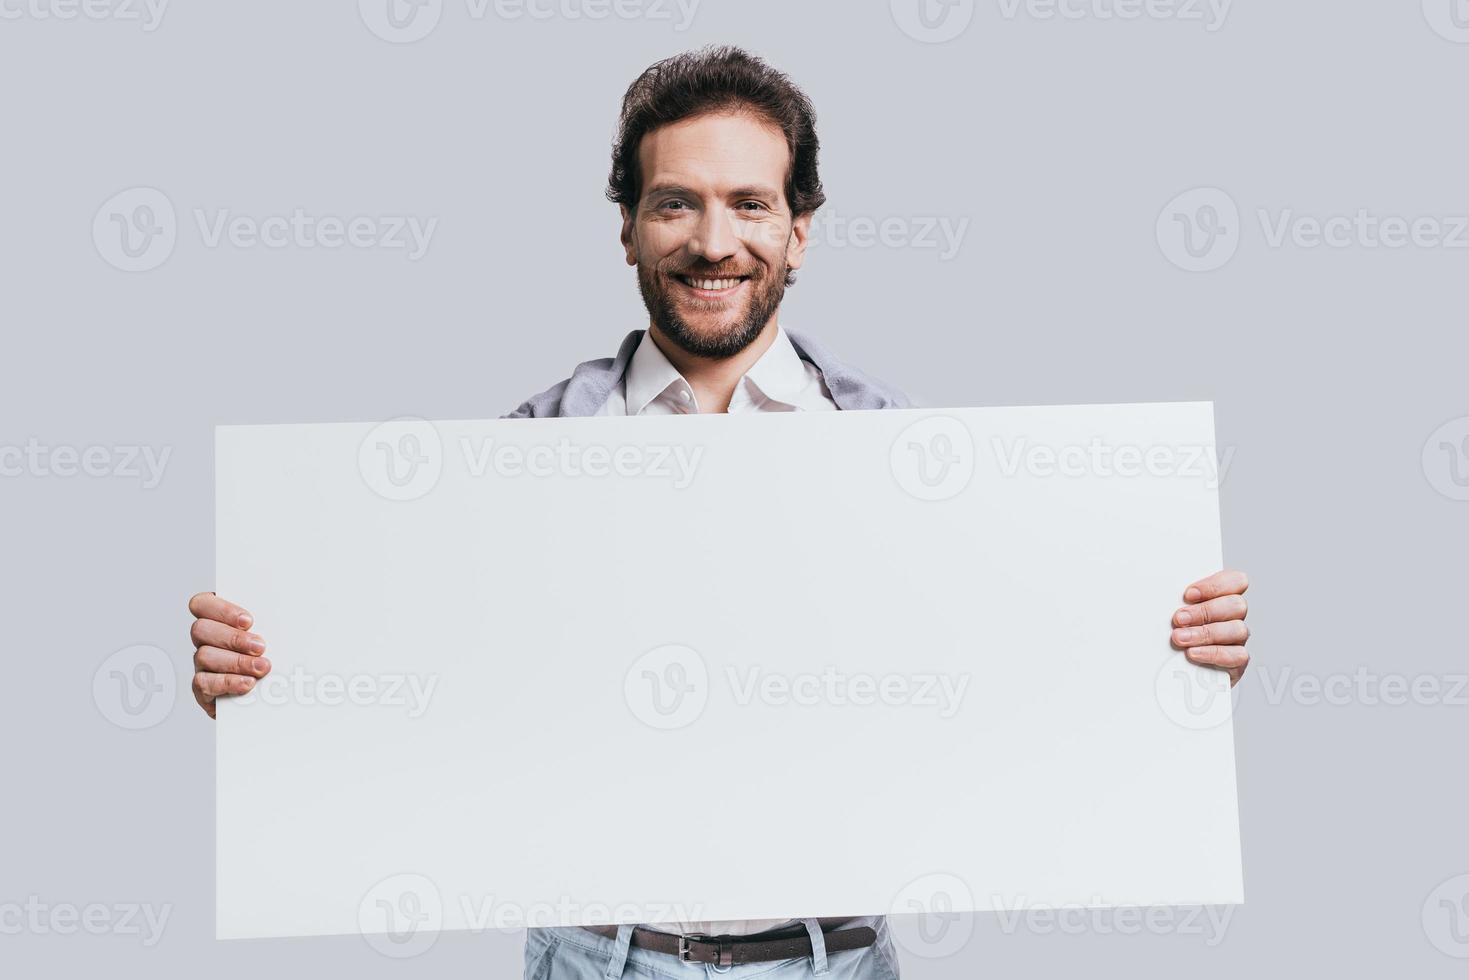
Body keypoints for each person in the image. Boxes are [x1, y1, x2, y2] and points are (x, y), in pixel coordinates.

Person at [187, 45, 1251, 980]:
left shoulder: (907, 460)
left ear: (798, 232)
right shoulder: (516, 459)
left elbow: (1012, 674)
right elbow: (412, 685)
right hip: (591, 957)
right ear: (628, 230)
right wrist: (267, 684)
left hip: (831, 960)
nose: (712, 240)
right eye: (674, 203)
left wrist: (1167, 664)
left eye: (748, 204)